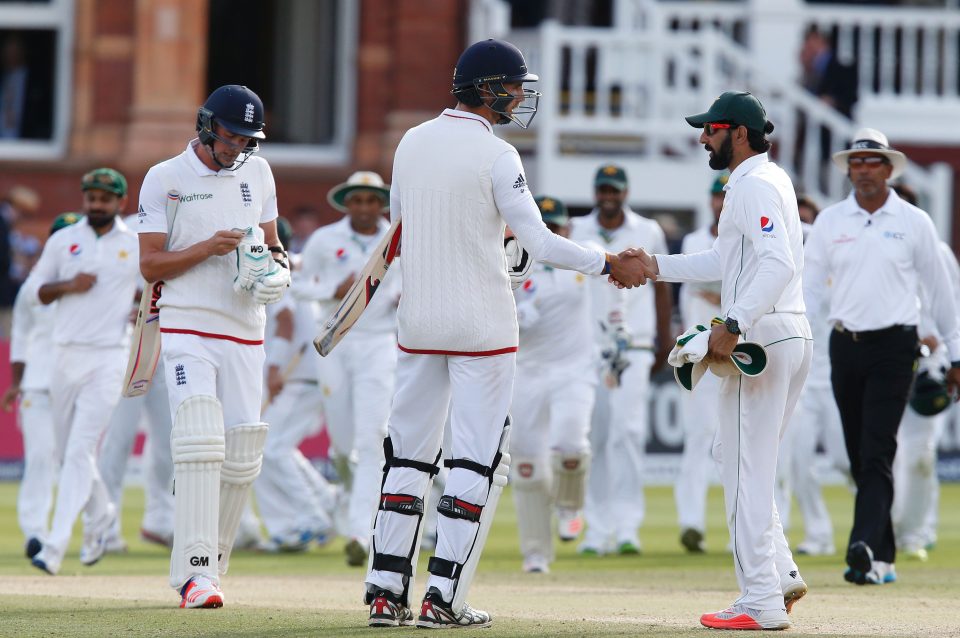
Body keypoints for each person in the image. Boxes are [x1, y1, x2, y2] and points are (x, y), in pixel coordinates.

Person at [362, 39, 644, 629]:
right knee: (473, 460)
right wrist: (605, 263)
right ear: (488, 89)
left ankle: (387, 592)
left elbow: (402, 227)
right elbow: (539, 244)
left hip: (418, 321)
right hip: (483, 325)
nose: (520, 97)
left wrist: (493, 247)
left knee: (407, 457)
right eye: (514, 87)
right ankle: (444, 597)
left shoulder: (410, 142)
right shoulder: (499, 155)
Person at [630, 91, 812, 631]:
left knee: (742, 471)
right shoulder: (765, 180)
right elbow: (722, 259)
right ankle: (777, 573)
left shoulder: (753, 183)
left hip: (762, 334)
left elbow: (776, 263)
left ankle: (760, 601)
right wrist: (655, 265)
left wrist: (733, 323)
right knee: (735, 458)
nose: (701, 138)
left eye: (709, 129)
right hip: (786, 331)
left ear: (738, 132)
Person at [137, 84, 290, 609]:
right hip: (187, 324)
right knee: (201, 438)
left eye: (249, 139)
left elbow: (272, 247)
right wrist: (208, 248)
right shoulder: (165, 178)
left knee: (243, 453)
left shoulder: (260, 172)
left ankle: (203, 571)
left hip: (246, 327)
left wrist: (278, 272)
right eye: (231, 136)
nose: (238, 148)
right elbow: (151, 266)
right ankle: (199, 575)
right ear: (207, 125)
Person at [803, 128, 960, 586]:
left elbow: (941, 292)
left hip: (896, 346)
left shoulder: (914, 222)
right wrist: (785, 336)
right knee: (857, 453)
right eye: (856, 162)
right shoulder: (831, 222)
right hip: (844, 344)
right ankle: (884, 553)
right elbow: (811, 290)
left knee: (877, 449)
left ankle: (863, 546)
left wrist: (955, 354)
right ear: (849, 170)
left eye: (872, 162)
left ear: (889, 169)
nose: (864, 169)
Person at [24, 169, 140, 576]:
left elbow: (154, 288)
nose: (96, 204)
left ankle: (54, 547)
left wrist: (139, 307)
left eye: (105, 198)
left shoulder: (134, 244)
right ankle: (103, 514)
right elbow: (38, 291)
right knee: (66, 452)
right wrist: (69, 285)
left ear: (120, 203)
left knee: (79, 451)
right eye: (91, 197)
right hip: (64, 355)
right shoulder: (64, 239)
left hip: (109, 356)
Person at [297, 170, 399, 567]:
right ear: (347, 204)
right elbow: (296, 284)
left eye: (371, 201)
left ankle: (361, 531)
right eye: (357, 200)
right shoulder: (325, 240)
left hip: (378, 344)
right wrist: (330, 290)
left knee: (373, 438)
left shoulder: (396, 240)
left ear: (380, 204)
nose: (364, 208)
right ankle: (349, 505)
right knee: (343, 447)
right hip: (336, 342)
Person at [570, 163, 671, 556]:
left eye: (615, 190)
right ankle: (596, 529)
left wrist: (664, 338)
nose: (608, 196)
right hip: (590, 346)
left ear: (625, 192)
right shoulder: (578, 230)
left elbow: (661, 288)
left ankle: (627, 526)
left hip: (637, 344)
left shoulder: (647, 230)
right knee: (594, 435)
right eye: (603, 190)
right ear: (596, 192)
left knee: (627, 434)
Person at [510, 195, 597, 573]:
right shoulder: (510, 262)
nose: (549, 233)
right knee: (528, 466)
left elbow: (614, 294)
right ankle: (535, 554)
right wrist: (513, 310)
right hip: (527, 371)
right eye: (543, 225)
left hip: (574, 368)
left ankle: (569, 507)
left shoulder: (581, 256)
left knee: (570, 448)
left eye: (556, 226)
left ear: (566, 229)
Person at [2, 212, 81, 558]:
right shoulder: (34, 286)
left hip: (80, 384)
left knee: (77, 459)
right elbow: (20, 335)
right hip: (37, 384)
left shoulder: (96, 283)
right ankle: (36, 533)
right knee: (38, 459)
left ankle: (97, 529)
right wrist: (15, 383)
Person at [255, 217, 336, 552]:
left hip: (299, 374)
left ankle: (311, 517)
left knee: (269, 449)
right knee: (275, 449)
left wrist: (273, 369)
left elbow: (285, 321)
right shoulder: (298, 267)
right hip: (310, 373)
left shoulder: (277, 269)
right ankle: (322, 501)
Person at [774, 195, 848, 557]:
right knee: (799, 461)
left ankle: (880, 520)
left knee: (846, 460)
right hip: (801, 380)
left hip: (836, 378)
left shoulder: (830, 248)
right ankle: (818, 534)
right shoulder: (781, 250)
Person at [673, 173, 725, 554]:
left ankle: (750, 528)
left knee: (739, 439)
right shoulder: (694, 240)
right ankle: (691, 522)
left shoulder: (745, 237)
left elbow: (721, 285)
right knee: (699, 435)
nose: (721, 204)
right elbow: (702, 287)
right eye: (716, 197)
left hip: (737, 349)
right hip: (699, 349)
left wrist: (718, 294)